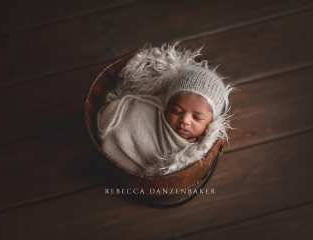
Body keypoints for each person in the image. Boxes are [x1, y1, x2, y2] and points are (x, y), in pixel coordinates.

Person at [97, 43, 233, 176]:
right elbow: (135, 113)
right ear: (167, 104)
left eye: (196, 117)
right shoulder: (153, 108)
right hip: (119, 131)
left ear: (211, 121)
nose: (185, 120)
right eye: (177, 111)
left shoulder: (196, 151)